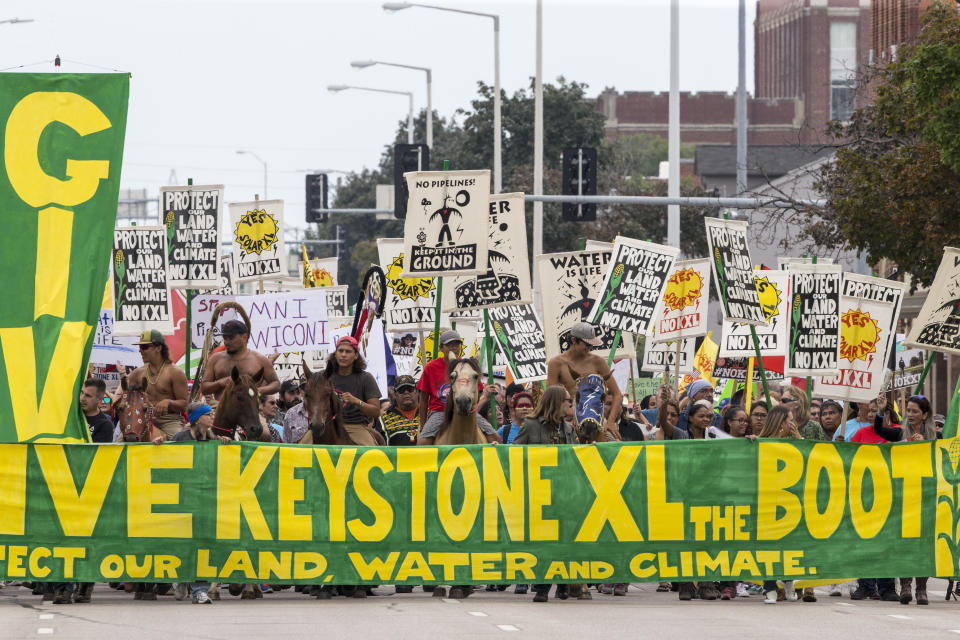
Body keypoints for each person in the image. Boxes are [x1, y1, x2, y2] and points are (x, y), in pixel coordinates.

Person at [155, 401, 226, 604]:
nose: (212, 417)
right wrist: (160, 445)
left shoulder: (213, 438)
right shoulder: (180, 438)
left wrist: (227, 444)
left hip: (205, 501)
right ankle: (182, 579)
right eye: (208, 414)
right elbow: (166, 460)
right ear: (197, 419)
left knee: (202, 544)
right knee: (183, 544)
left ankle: (199, 590)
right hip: (182, 499)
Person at [514, 386, 577, 603]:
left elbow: (576, 459)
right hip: (539, 494)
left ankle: (561, 583)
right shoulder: (530, 425)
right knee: (544, 542)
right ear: (556, 402)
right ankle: (542, 587)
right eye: (567, 400)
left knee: (564, 540)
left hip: (564, 494)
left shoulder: (568, 429)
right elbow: (514, 454)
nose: (570, 404)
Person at [871, 393, 933, 605]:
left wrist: (926, 445)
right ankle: (905, 585)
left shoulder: (936, 437)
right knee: (904, 542)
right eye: (909, 411)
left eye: (916, 411)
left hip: (926, 497)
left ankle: (921, 588)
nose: (911, 415)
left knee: (923, 544)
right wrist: (880, 411)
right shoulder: (899, 434)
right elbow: (878, 430)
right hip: (903, 496)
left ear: (925, 415)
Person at [417, 330, 499, 444]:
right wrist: (422, 424)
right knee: (423, 442)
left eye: (457, 344)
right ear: (441, 348)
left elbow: (477, 393)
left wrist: (485, 394)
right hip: (439, 411)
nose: (454, 348)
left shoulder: (468, 366)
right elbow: (424, 399)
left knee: (495, 437)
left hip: (468, 410)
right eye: (449, 345)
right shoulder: (430, 367)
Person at [546, 321, 623, 440]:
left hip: (596, 419)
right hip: (568, 419)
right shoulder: (556, 363)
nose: (590, 348)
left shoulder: (598, 362)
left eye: (592, 345)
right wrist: (573, 413)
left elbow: (617, 394)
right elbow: (551, 398)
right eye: (587, 344)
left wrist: (611, 421)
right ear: (573, 341)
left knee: (613, 449)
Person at [756, 404, 800, 604]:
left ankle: (789, 580)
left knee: (788, 544)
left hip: (789, 501)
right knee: (767, 544)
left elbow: (810, 457)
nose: (793, 422)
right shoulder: (759, 442)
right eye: (790, 419)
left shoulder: (795, 442)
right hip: (765, 500)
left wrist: (799, 439)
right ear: (781, 422)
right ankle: (770, 586)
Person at [127, 330, 189, 438]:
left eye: (144, 347)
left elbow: (185, 404)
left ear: (158, 348)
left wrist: (169, 402)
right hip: (142, 419)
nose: (140, 351)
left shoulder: (175, 372)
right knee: (119, 442)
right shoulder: (136, 374)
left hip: (169, 420)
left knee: (177, 442)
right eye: (140, 347)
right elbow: (129, 401)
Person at [325, 336, 384, 446]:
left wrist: (357, 401)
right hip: (328, 426)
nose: (343, 354)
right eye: (340, 351)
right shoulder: (325, 377)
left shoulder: (366, 378)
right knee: (303, 446)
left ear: (356, 355)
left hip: (356, 426)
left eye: (348, 351)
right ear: (335, 353)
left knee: (372, 452)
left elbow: (376, 411)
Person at [201, 319, 281, 400]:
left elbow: (276, 384)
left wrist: (257, 390)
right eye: (225, 338)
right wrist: (220, 383)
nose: (227, 342)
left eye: (231, 338)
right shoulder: (215, 359)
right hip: (220, 408)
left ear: (244, 337)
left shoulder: (259, 359)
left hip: (250, 409)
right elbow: (204, 388)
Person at [381, 375, 420, 446]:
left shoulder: (428, 414)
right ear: (395, 395)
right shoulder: (384, 418)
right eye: (401, 390)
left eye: (410, 389)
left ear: (417, 391)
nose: (406, 392)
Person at [80, 378, 113, 443]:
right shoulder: (73, 413)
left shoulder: (105, 425)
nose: (82, 398)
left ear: (100, 399)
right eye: (82, 393)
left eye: (88, 396)